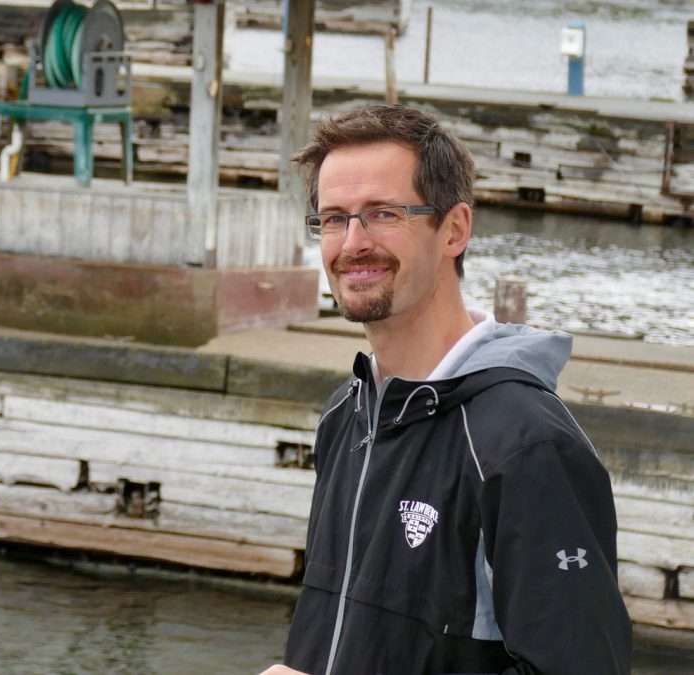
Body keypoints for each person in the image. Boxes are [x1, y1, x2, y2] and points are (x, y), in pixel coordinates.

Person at [259, 105, 631, 675]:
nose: (352, 242)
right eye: (333, 218)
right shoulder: (348, 415)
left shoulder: (524, 443)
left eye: (383, 213)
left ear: (454, 229)